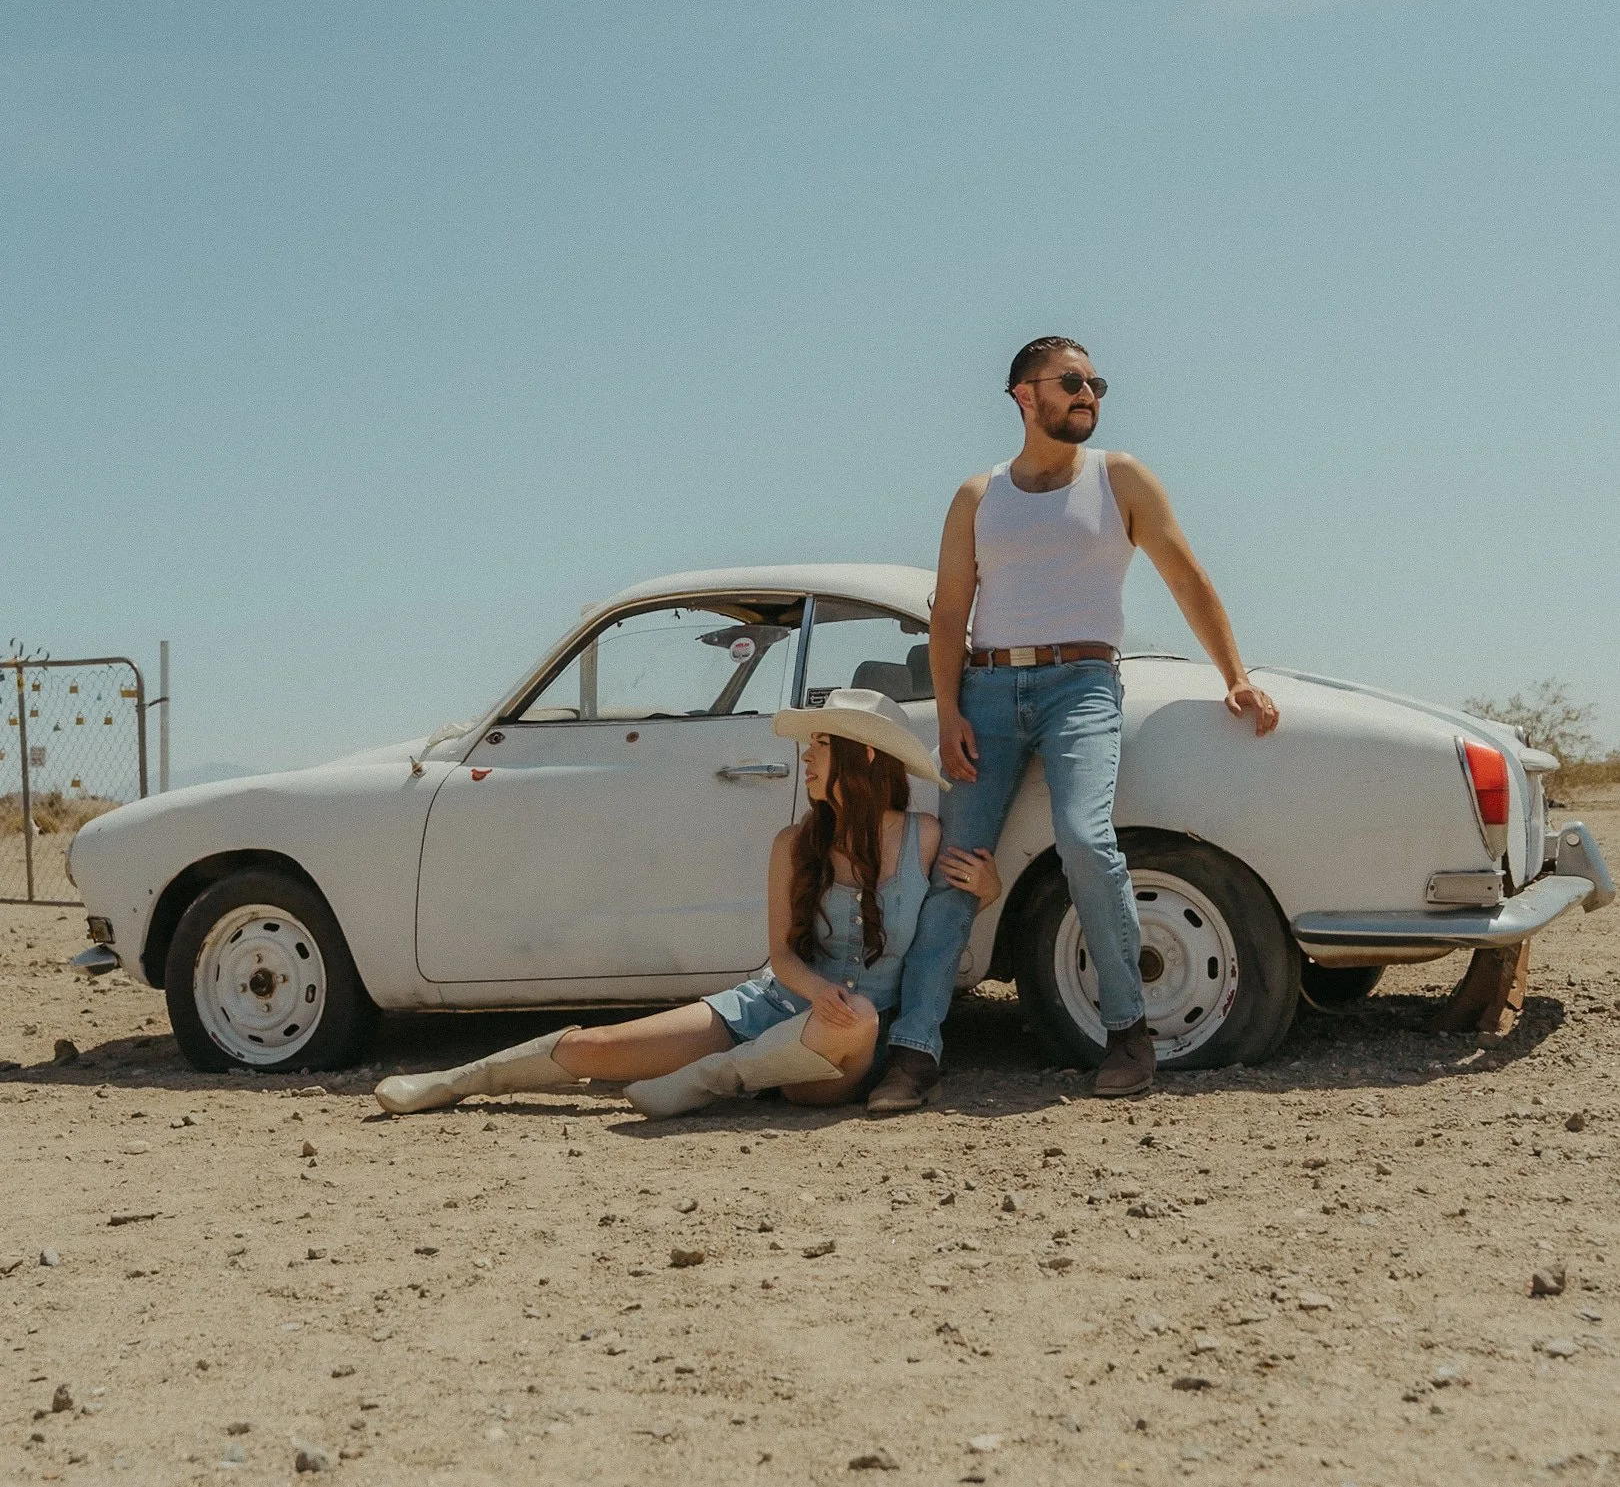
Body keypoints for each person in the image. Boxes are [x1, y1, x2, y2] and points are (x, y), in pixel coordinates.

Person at [866, 335, 1279, 1116]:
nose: (1090, 392)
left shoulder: (1120, 478)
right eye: (1073, 380)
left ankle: (1129, 1030)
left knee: (1086, 837)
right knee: (958, 862)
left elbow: (1186, 576)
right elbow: (950, 611)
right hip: (986, 688)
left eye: (1096, 382)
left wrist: (1237, 677)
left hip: (1083, 683)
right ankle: (915, 1050)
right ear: (1026, 395)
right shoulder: (977, 495)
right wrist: (949, 708)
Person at [372, 689, 1001, 1121]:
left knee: (859, 1015)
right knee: (608, 1047)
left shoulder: (923, 838)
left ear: (863, 756)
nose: (805, 757)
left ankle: (707, 1082)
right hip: (772, 1007)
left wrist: (989, 890)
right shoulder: (794, 844)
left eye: (821, 747)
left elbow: (953, 919)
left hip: (841, 1045)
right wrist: (812, 988)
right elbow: (781, 956)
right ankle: (458, 1081)